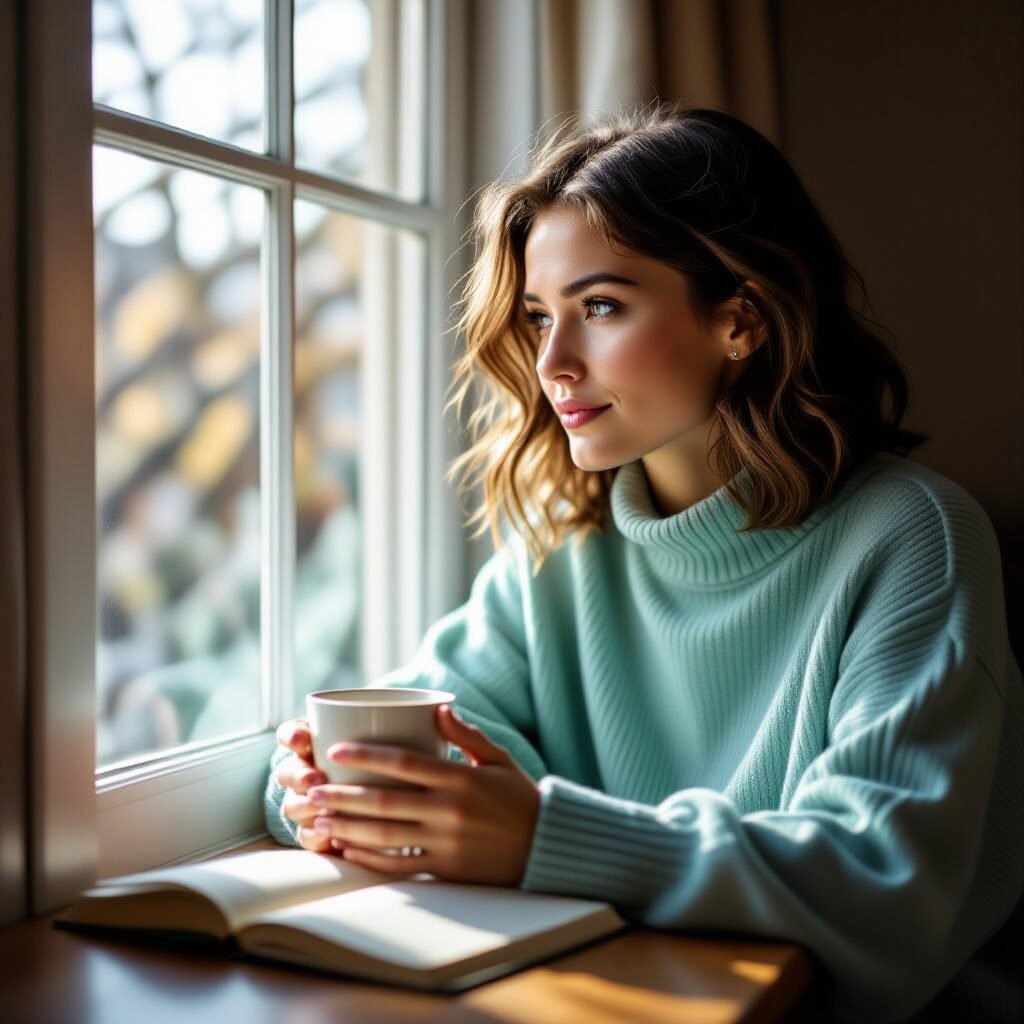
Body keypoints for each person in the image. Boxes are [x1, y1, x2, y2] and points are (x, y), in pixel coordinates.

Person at [264, 102, 1023, 1023]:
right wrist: (319, 788)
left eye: (601, 308)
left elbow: (880, 877)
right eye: (540, 316)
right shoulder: (559, 556)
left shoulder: (912, 537)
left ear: (739, 321)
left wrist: (547, 836)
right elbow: (429, 723)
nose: (552, 362)